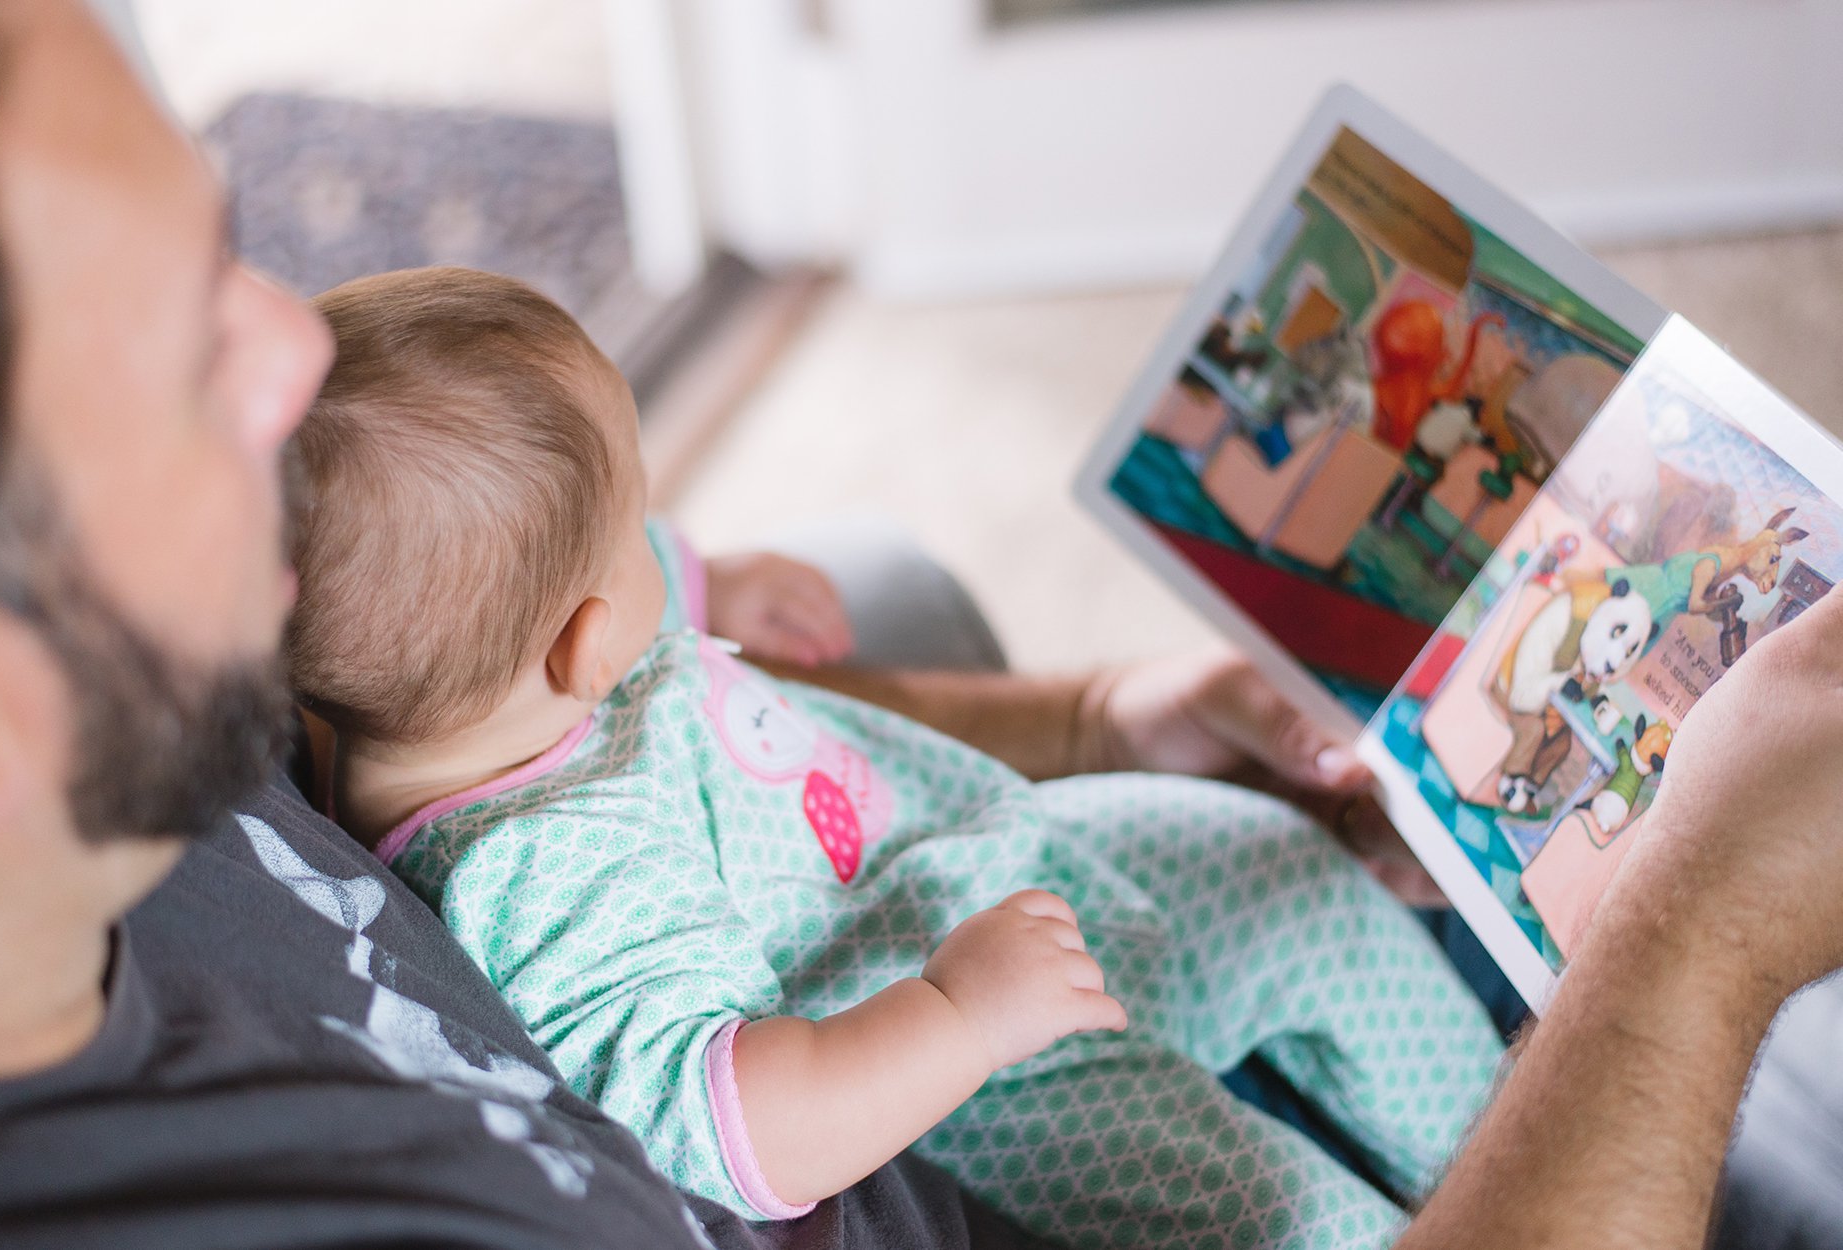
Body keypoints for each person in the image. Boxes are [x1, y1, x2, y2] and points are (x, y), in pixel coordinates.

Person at [0, 2, 1837, 1247]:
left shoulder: (178, 685)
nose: (295, 340)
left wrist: (1075, 712)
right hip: (1044, 1102)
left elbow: (622, 697)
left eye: (238, 251)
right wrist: (1700, 927)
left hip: (977, 891)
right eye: (190, 359)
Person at [285, 265, 1503, 1247]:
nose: (660, 539)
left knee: (1285, 865)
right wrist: (958, 1016)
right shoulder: (549, 872)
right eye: (638, 528)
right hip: (995, 1073)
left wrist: (705, 577)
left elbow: (554, 570)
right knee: (1295, 1221)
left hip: (981, 856)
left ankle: (1509, 1153)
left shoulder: (447, 686)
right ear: (588, 644)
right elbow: (731, 1125)